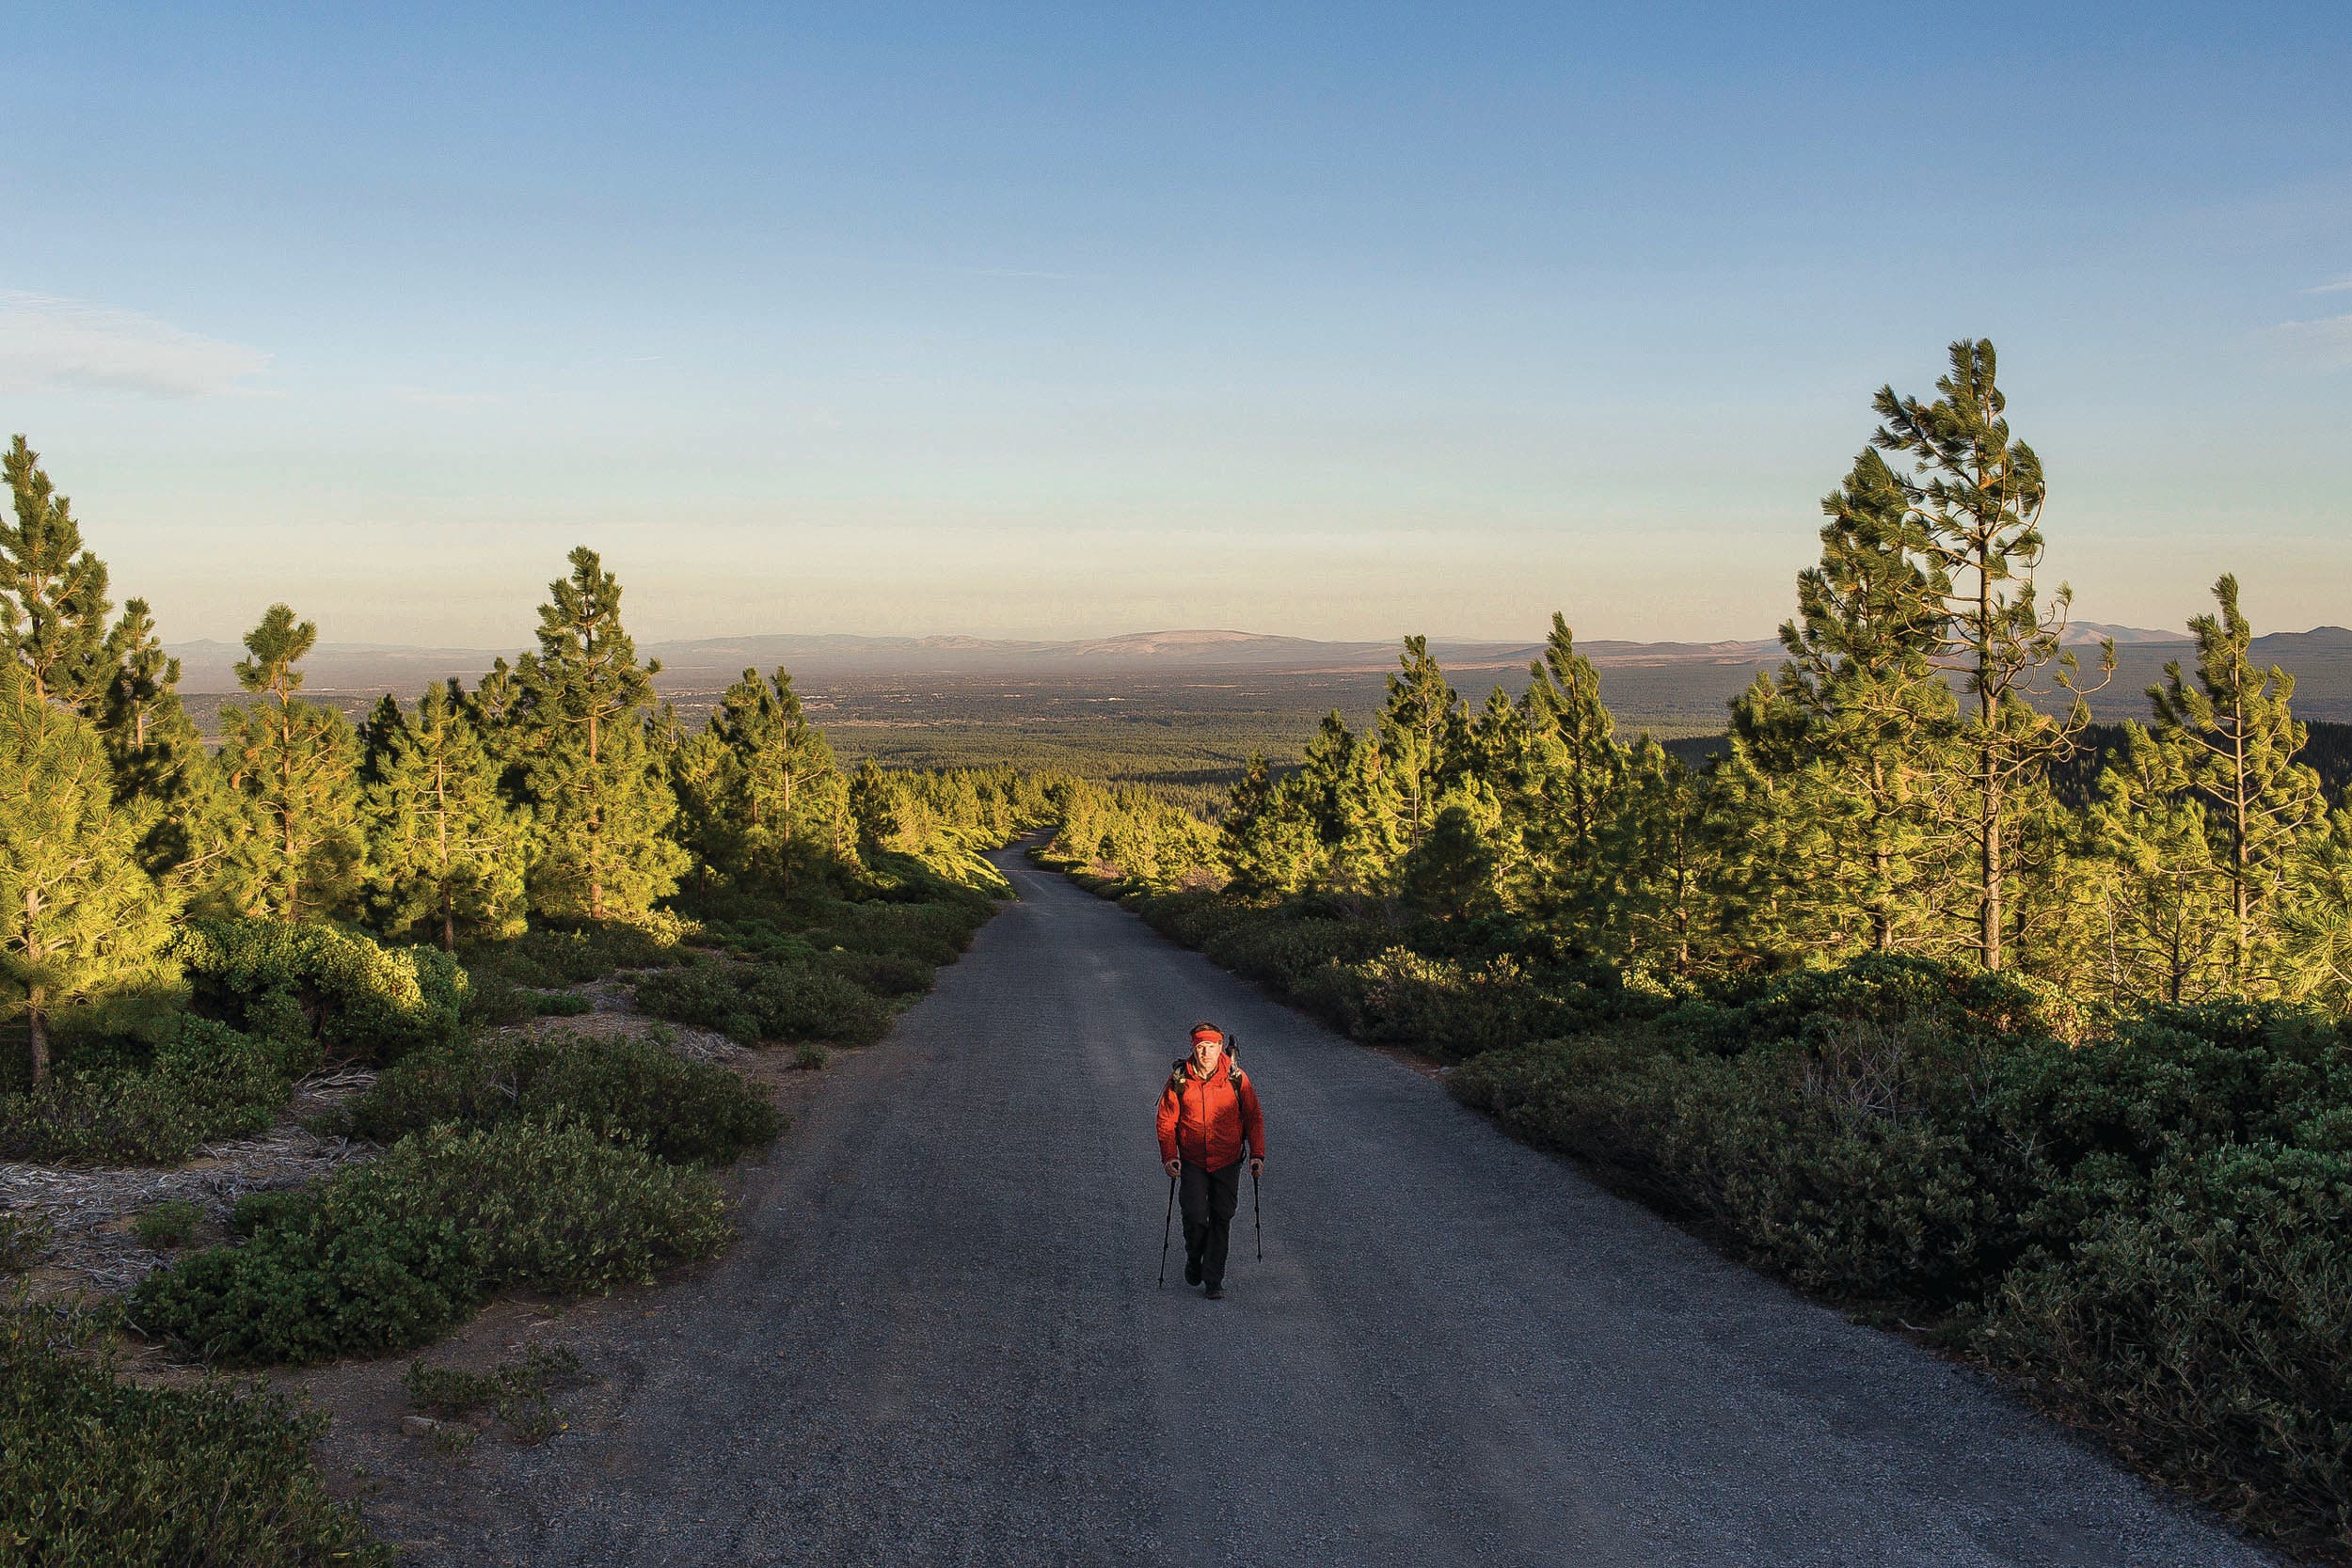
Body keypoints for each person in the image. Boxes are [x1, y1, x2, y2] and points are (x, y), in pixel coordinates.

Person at [1156, 1021, 1265, 1299]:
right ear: (1193, 1048)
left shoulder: (1236, 1077)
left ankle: (1213, 1279)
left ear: (1220, 1048)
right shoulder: (1179, 1079)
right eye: (1200, 1047)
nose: (1206, 1053)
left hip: (1228, 1160)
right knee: (1194, 1215)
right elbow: (1167, 1121)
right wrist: (1170, 1157)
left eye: (1211, 1047)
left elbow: (1253, 1116)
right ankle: (1195, 1256)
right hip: (1193, 1160)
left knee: (1222, 1215)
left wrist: (1257, 1154)